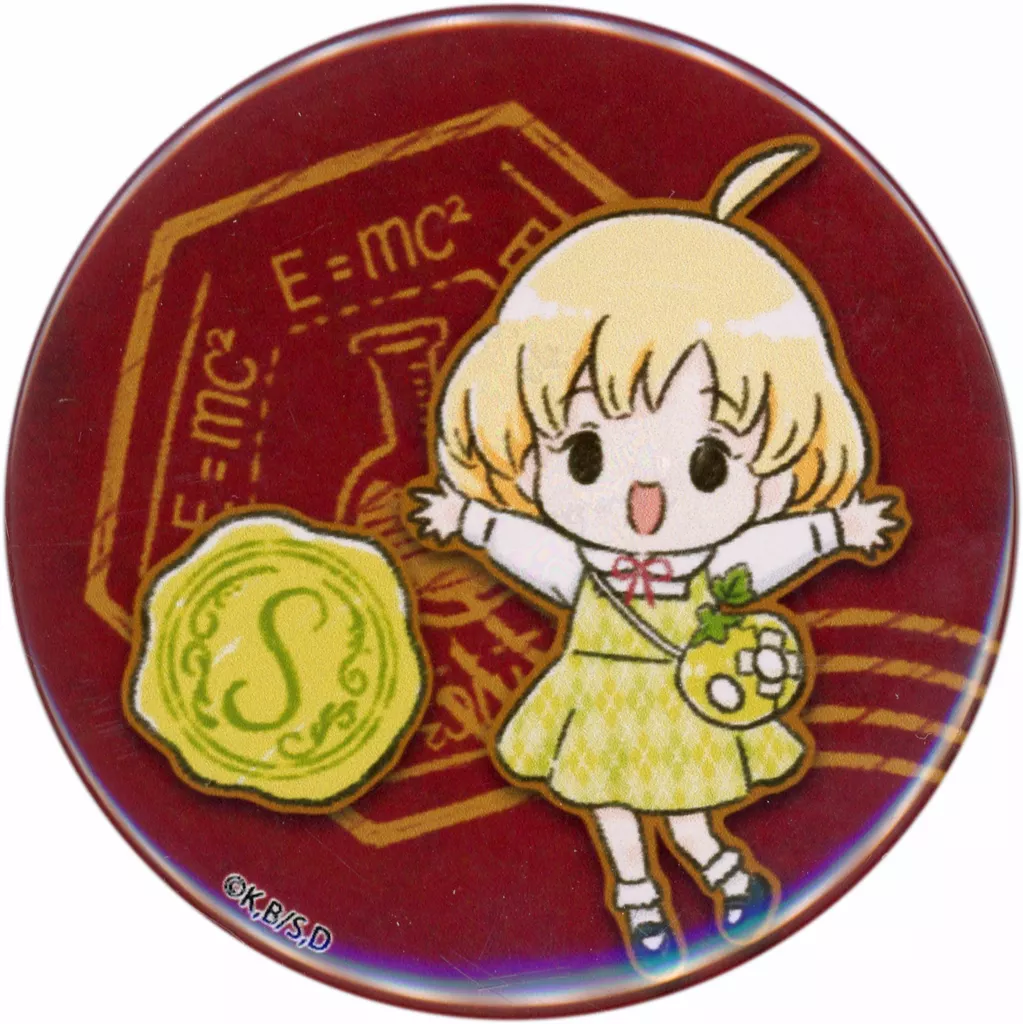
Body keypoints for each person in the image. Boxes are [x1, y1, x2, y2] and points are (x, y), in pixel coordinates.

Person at [411, 137, 905, 975]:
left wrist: (834, 530)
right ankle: (640, 901)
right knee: (608, 802)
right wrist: (470, 519)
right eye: (586, 457)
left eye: (708, 464)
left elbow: (766, 553)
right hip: (597, 699)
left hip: (682, 700)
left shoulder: (715, 570)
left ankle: (720, 872)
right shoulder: (587, 568)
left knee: (685, 805)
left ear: (781, 467)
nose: (646, 501)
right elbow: (536, 553)